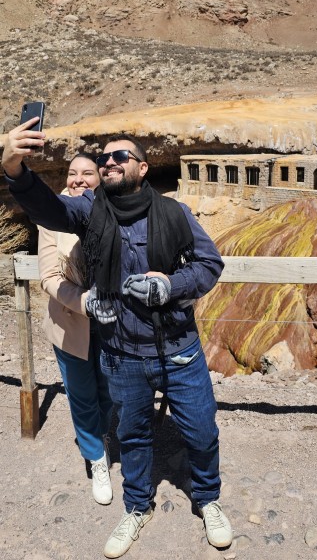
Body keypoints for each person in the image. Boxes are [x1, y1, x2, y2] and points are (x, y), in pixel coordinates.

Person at [2, 117, 233, 559]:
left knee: (202, 431)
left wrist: (170, 285)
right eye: (103, 157)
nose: (108, 162)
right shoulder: (90, 211)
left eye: (119, 156)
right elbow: (49, 209)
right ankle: (137, 506)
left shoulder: (175, 213)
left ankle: (208, 500)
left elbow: (209, 265)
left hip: (179, 349)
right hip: (122, 353)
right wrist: (15, 168)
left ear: (142, 168)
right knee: (133, 437)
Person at [38, 153, 113, 506]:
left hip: (112, 325)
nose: (77, 179)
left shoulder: (114, 210)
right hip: (71, 323)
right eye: (71, 173)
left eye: (87, 173)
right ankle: (96, 458)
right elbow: (49, 277)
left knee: (109, 391)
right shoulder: (52, 215)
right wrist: (86, 302)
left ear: (101, 178)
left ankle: (101, 434)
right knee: (82, 396)